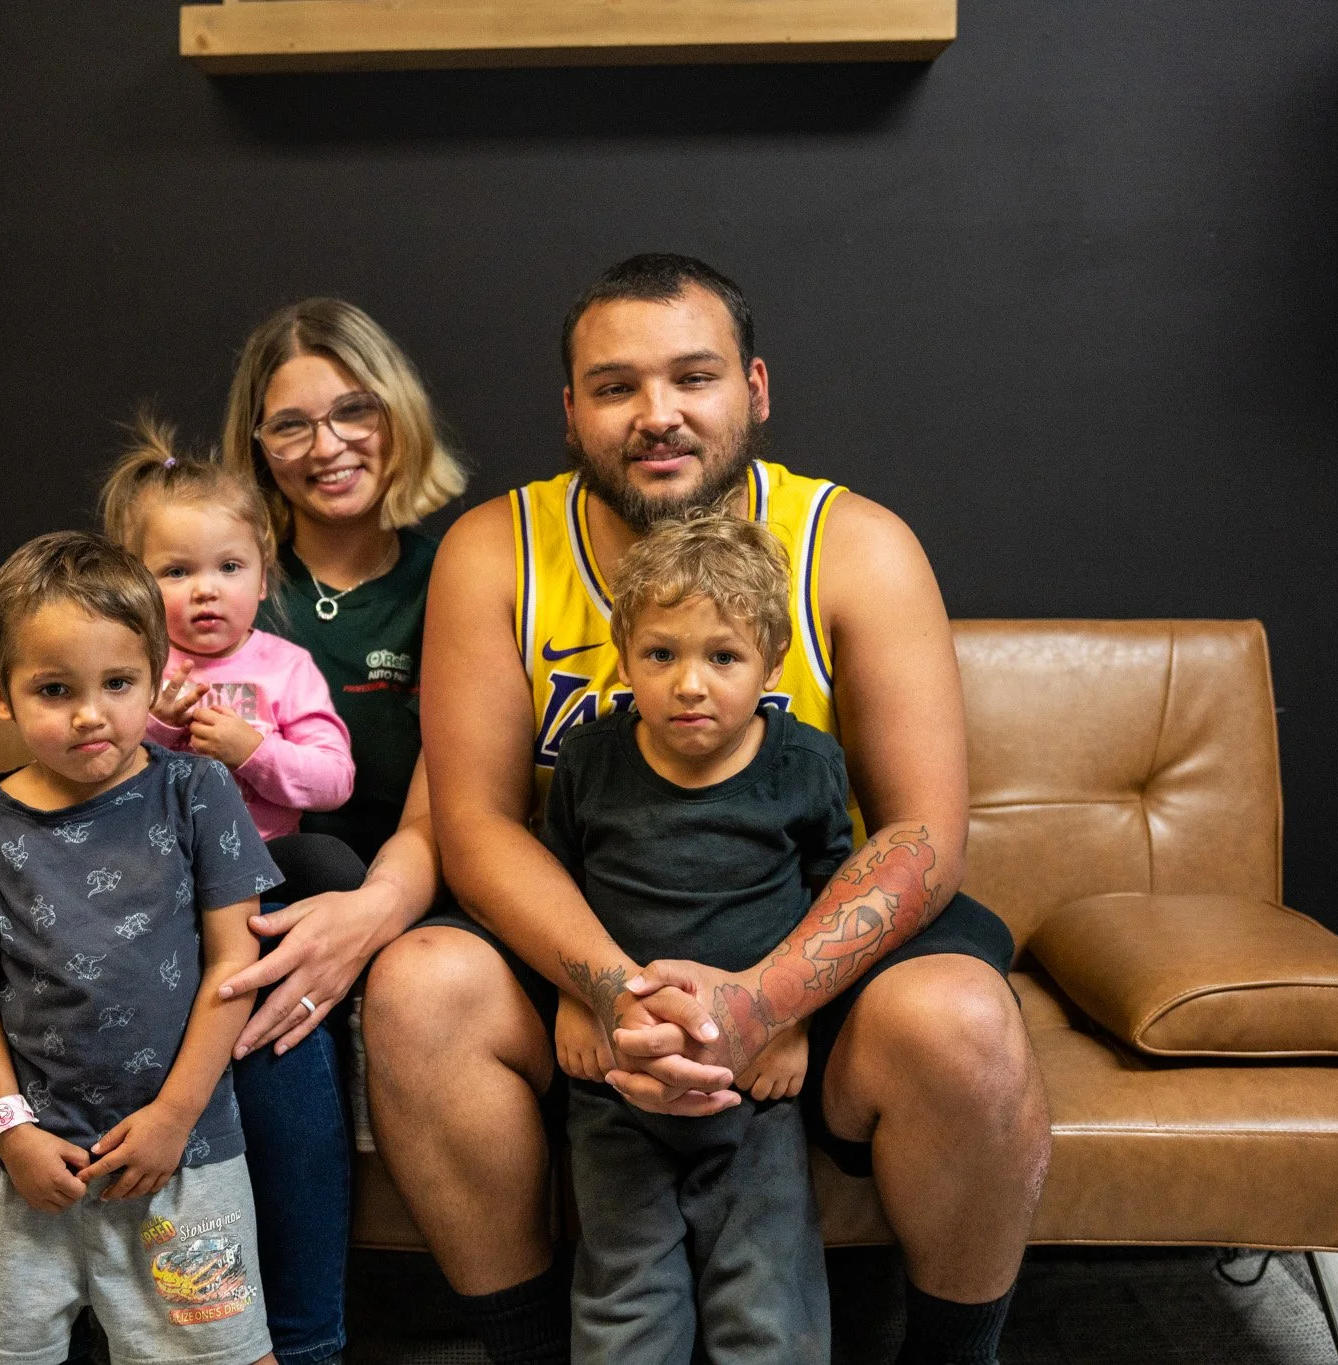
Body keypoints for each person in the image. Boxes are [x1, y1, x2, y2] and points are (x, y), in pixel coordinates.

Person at [362, 254, 1051, 1365]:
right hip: (586, 924)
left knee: (964, 1022)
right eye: (614, 386)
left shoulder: (854, 545)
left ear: (755, 388)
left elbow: (919, 833)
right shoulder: (495, 550)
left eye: (694, 376)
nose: (657, 415)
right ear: (571, 410)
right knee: (415, 992)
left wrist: (767, 1001)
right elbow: (477, 821)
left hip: (804, 926)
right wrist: (605, 986)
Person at [0, 297, 464, 1365]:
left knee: (263, 972)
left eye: (354, 410)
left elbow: (450, 791)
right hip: (157, 854)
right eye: (289, 422)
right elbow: (70, 710)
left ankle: (294, 1340)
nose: (327, 444)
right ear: (253, 448)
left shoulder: (458, 572)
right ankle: (24, 1308)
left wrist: (361, 897)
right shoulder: (185, 561)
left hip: (334, 866)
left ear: (397, 416)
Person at [0, 530, 279, 1365]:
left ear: (157, 677)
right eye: (54, 688)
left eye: (119, 683)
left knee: (228, 1354)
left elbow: (235, 964)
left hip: (183, 1163)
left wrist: (173, 1117)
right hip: (18, 1163)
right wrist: (10, 1131)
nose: (91, 713)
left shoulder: (198, 792)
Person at [548, 510, 842, 1363]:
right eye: (661, 654)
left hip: (752, 1086)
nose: (689, 684)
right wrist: (577, 999)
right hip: (615, 1082)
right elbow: (553, 883)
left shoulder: (805, 762)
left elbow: (835, 903)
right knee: (623, 1292)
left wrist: (795, 1021)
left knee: (767, 1292)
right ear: (624, 654)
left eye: (723, 657)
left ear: (771, 664)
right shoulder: (591, 759)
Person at [100, 427, 356, 842]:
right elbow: (94, 771)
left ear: (263, 578)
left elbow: (335, 781)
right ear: (138, 583)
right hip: (163, 852)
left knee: (331, 863)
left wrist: (253, 752)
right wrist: (157, 727)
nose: (206, 590)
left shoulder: (288, 667)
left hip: (268, 854)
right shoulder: (129, 662)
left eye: (230, 567)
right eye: (177, 571)